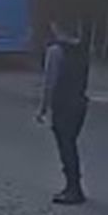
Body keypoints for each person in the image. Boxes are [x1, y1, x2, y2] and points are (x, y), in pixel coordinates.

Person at [35, 20, 90, 205]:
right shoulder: (82, 50)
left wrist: (43, 108)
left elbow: (49, 82)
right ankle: (74, 186)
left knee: (66, 147)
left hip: (63, 105)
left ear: (57, 28)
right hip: (80, 103)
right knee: (71, 144)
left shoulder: (56, 51)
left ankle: (73, 188)